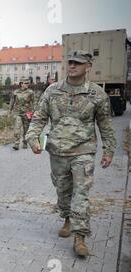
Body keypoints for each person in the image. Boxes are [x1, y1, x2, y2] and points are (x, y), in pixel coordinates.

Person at [26, 51, 117, 258]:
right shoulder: (52, 90)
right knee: (62, 191)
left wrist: (109, 150)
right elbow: (39, 117)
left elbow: (105, 125)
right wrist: (32, 137)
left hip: (84, 151)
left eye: (78, 63)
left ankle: (80, 237)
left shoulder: (97, 94)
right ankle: (67, 218)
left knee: (81, 193)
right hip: (57, 151)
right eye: (71, 62)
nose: (73, 65)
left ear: (88, 66)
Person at [10, 77, 36, 150]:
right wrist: (9, 111)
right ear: (21, 84)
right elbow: (12, 102)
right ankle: (16, 144)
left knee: (26, 129)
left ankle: (25, 142)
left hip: (27, 113)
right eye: (26, 83)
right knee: (17, 129)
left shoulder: (30, 92)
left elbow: (34, 102)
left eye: (28, 83)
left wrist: (33, 111)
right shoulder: (15, 92)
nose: (28, 84)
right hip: (17, 112)